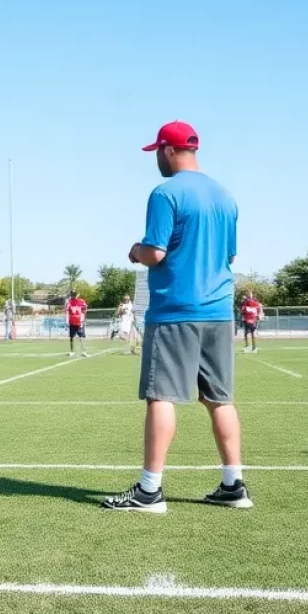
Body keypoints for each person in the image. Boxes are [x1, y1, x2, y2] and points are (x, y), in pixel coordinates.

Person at [103, 121, 251, 514]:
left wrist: (135, 250)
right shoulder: (225, 196)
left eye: (157, 151)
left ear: (167, 150)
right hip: (219, 313)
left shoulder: (166, 193)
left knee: (161, 396)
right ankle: (233, 484)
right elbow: (230, 256)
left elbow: (155, 252)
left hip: (175, 312)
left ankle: (150, 490)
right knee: (220, 400)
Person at [65, 291, 88, 357]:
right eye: (72, 295)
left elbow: (85, 309)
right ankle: (72, 351)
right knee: (71, 337)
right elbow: (67, 311)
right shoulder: (68, 302)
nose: (73, 296)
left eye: (74, 295)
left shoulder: (81, 301)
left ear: (77, 295)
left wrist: (82, 319)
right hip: (71, 322)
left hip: (79, 322)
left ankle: (84, 351)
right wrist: (66, 322)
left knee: (81, 337)